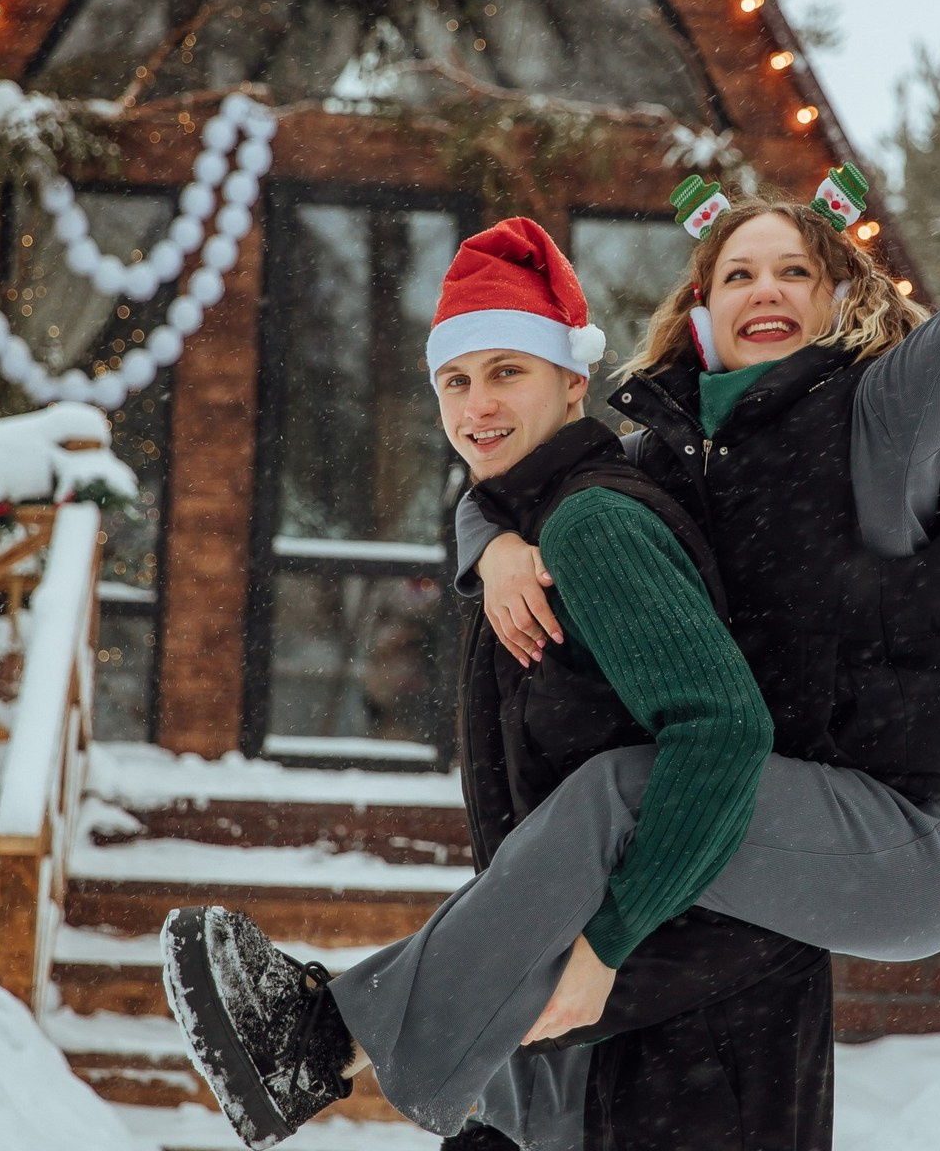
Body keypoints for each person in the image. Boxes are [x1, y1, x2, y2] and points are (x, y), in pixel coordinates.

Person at [460, 58, 940, 1037]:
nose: (765, 288)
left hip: (903, 826)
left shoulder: (877, 416)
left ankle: (377, 1024)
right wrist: (488, 545)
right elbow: (521, 477)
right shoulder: (662, 455)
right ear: (702, 311)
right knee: (588, 941)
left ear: (836, 299)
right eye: (737, 272)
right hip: (769, 799)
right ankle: (495, 1090)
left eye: (794, 269)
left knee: (613, 812)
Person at [161, 218, 833, 1151]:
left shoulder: (593, 525)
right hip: (595, 1014)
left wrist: (612, 943)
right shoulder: (526, 520)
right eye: (456, 379)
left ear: (572, 382)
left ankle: (321, 1042)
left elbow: (719, 735)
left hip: (683, 1030)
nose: (477, 403)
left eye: (508, 372)